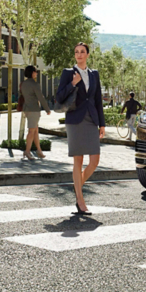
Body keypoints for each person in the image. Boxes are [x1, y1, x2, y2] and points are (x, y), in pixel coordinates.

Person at [55, 42, 105, 215]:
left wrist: (102, 124)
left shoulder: (94, 74)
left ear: (88, 55)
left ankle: (77, 187)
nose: (79, 54)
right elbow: (59, 96)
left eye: (82, 52)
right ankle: (80, 200)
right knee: (78, 160)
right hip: (75, 119)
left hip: (91, 119)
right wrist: (73, 83)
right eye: (76, 52)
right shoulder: (68, 73)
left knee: (95, 160)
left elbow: (97, 99)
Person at [20, 65, 51, 160]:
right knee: (31, 131)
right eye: (35, 71)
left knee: (35, 130)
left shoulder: (23, 84)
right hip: (34, 110)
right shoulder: (35, 84)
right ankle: (27, 151)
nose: (36, 73)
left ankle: (39, 150)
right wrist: (47, 109)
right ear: (32, 72)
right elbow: (40, 97)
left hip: (27, 109)